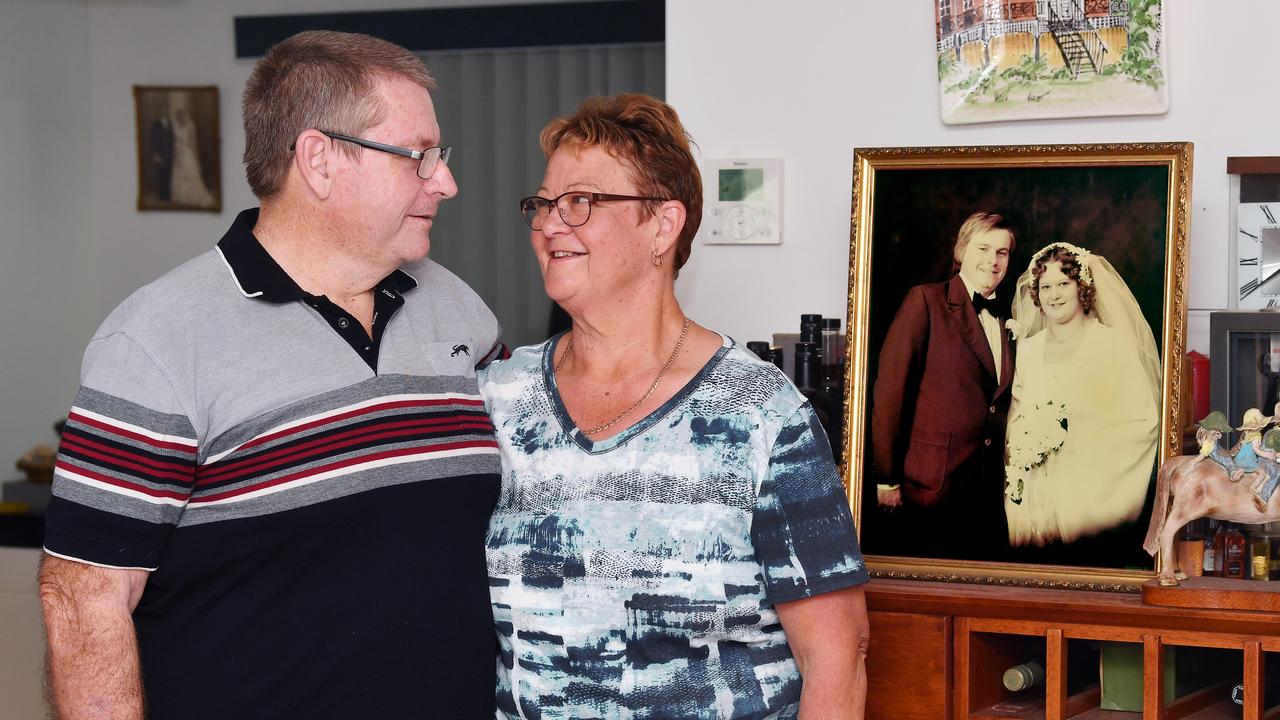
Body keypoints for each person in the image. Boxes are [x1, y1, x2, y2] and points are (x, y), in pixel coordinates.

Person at [38, 31, 504, 719]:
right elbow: (86, 599)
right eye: (419, 157)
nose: (445, 180)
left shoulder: (463, 313)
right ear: (319, 160)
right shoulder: (157, 340)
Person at [482, 94, 870, 719]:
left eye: (581, 202)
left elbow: (836, 656)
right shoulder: (497, 397)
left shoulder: (762, 413)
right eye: (544, 204)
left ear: (662, 225)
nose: (552, 223)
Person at [870, 211, 1016, 558]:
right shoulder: (925, 301)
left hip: (990, 490)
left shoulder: (1011, 314)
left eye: (1002, 253)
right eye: (983, 249)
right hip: (930, 486)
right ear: (962, 250)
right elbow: (890, 392)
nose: (992, 262)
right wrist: (886, 478)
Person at [1004, 242, 1160, 547]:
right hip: (1033, 495)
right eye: (1045, 286)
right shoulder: (1028, 350)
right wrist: (1027, 442)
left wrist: (1080, 443)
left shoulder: (1112, 344)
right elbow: (1017, 415)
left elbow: (1143, 421)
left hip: (1089, 494)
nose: (1054, 294)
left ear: (1082, 287)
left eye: (1064, 283)